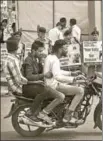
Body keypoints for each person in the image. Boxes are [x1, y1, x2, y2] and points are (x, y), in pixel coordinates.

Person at [23, 41, 65, 124]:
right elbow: (29, 77)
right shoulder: (29, 60)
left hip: (37, 84)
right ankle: (39, 114)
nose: (41, 53)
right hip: (31, 86)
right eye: (39, 51)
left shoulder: (36, 59)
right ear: (33, 51)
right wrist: (44, 75)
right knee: (60, 96)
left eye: (42, 51)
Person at [44, 39, 84, 123]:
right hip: (53, 86)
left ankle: (70, 111)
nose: (67, 50)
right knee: (80, 91)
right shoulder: (54, 60)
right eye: (65, 48)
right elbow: (57, 76)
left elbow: (57, 72)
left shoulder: (51, 57)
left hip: (51, 84)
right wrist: (73, 78)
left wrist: (71, 73)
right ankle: (68, 115)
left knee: (75, 85)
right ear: (60, 49)